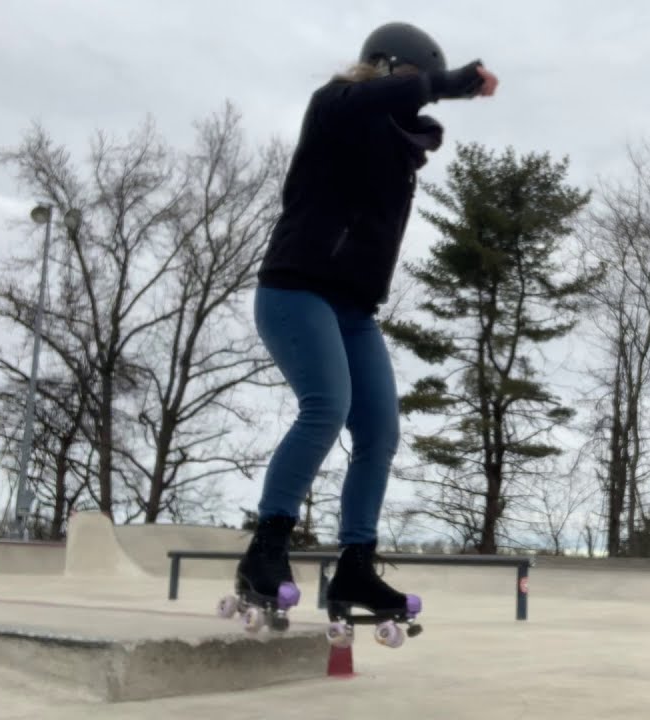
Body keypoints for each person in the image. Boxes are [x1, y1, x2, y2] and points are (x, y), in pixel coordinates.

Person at [233, 22, 498, 627]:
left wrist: (420, 107)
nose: (414, 95)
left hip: (355, 309)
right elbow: (378, 100)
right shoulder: (334, 106)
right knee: (326, 407)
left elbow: (403, 121)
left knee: (380, 430)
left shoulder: (396, 147)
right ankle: (265, 549)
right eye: (406, 81)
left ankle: (355, 564)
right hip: (295, 290)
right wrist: (446, 84)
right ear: (379, 69)